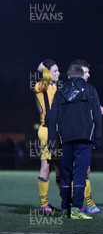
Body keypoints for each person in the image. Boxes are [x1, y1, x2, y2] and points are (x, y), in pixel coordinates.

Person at [46, 64, 103, 219]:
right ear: (80, 74)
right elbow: (97, 116)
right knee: (80, 172)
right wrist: (98, 139)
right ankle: (77, 209)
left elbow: (52, 118)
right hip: (85, 138)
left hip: (66, 139)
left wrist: (52, 141)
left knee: (65, 173)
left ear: (69, 76)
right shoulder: (91, 90)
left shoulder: (60, 91)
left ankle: (65, 209)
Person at [70, 59, 103, 214]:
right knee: (76, 171)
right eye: (85, 72)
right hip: (73, 137)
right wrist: (98, 111)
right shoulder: (71, 90)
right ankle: (76, 205)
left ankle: (83, 204)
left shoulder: (84, 90)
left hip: (82, 136)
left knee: (82, 170)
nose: (88, 75)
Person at [34, 60, 61, 213]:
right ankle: (43, 205)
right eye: (55, 71)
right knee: (46, 166)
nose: (58, 73)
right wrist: (43, 70)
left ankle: (67, 202)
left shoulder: (53, 86)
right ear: (47, 73)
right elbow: (43, 82)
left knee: (58, 167)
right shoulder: (40, 86)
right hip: (46, 131)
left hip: (54, 131)